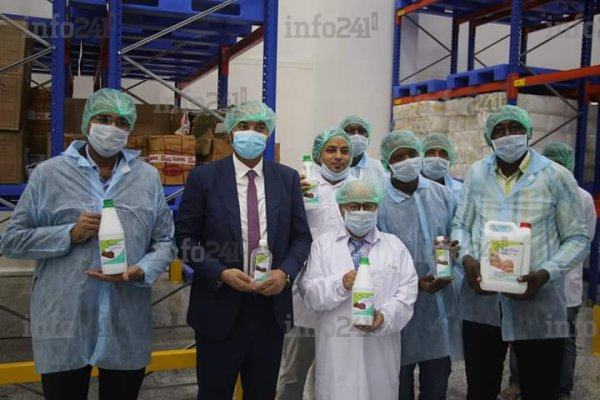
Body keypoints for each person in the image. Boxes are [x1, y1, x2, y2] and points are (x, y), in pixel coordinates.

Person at [0, 88, 175, 400]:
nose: (112, 128)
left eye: (121, 122)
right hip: (65, 318)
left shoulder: (147, 177)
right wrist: (68, 234)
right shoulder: (49, 174)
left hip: (125, 315)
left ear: (130, 129)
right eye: (103, 119)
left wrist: (142, 270)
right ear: (87, 123)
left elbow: (164, 240)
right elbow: (12, 240)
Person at [175, 101, 312, 400]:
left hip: (269, 310)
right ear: (230, 134)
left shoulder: (287, 179)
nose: (252, 133)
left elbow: (302, 237)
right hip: (218, 308)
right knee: (214, 393)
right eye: (243, 126)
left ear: (268, 134)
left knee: (262, 393)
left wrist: (285, 273)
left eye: (260, 127)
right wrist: (220, 273)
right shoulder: (204, 178)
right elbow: (185, 240)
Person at [451, 105, 590, 400]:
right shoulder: (477, 174)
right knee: (480, 390)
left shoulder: (556, 176)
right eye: (499, 130)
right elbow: (460, 225)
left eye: (514, 128)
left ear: (527, 132)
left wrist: (545, 274)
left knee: (541, 390)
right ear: (489, 138)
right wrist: (467, 259)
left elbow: (577, 239)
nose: (507, 136)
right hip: (483, 302)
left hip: (538, 303)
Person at [298, 179, 418, 400]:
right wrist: (340, 284)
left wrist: (384, 317)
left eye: (368, 206)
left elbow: (407, 296)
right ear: (341, 208)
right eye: (354, 206)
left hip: (380, 354)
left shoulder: (395, 247)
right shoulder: (322, 246)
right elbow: (310, 294)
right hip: (336, 352)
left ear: (377, 208)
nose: (361, 212)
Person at [498, 142, 597, 400]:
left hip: (565, 283)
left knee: (562, 338)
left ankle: (562, 389)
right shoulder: (532, 191)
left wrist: (554, 265)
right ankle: (518, 382)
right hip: (529, 277)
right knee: (521, 333)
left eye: (559, 164)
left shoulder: (582, 197)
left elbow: (582, 239)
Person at [377, 130, 463, 400]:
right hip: (397, 307)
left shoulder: (442, 195)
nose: (407, 161)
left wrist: (455, 255)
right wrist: (415, 284)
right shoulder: (380, 203)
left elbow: (457, 233)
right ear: (387, 163)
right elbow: (376, 258)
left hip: (439, 307)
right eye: (398, 157)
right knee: (398, 386)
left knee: (436, 387)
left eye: (411, 154)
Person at [277, 128, 354, 400]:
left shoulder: (359, 188)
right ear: (318, 154)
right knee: (293, 372)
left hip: (345, 290)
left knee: (335, 373)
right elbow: (280, 229)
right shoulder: (301, 185)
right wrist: (289, 197)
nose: (338, 156)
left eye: (344, 151)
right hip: (304, 293)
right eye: (331, 150)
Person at [340, 115, 387, 185]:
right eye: (350, 131)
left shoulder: (379, 168)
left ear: (368, 138)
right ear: (341, 136)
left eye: (361, 131)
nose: (356, 136)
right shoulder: (332, 166)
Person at [421, 132, 463, 200]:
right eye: (431, 152)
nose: (437, 157)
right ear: (422, 156)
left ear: (450, 158)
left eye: (443, 153)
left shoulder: (459, 191)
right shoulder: (409, 190)